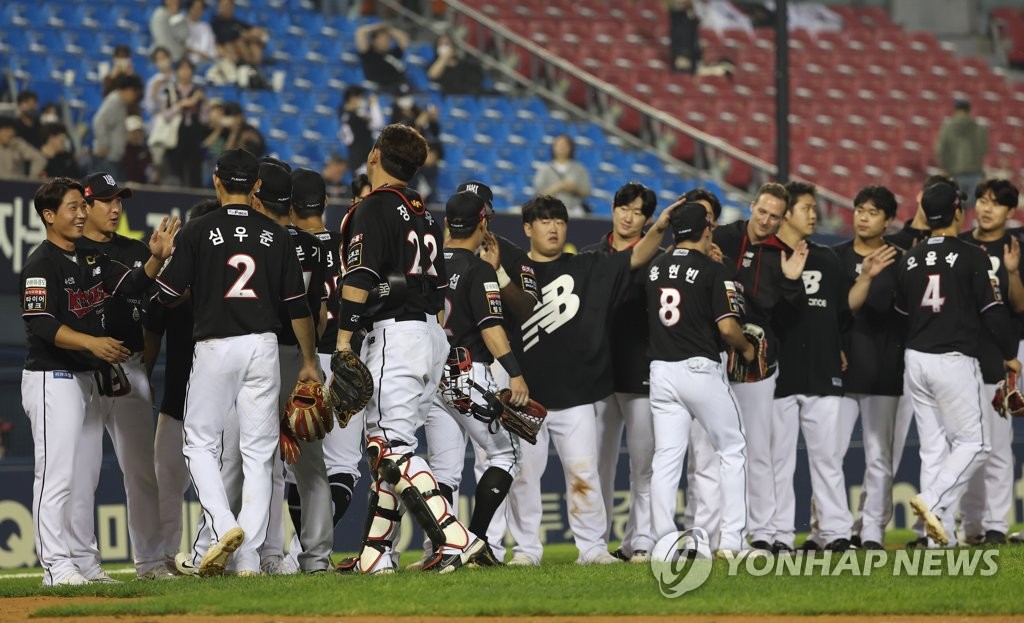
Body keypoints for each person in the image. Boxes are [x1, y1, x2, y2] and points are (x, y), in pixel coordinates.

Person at [156, 149, 320, 576]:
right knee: (260, 453)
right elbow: (297, 306)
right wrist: (308, 361)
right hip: (264, 346)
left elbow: (168, 297)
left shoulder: (197, 230)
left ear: (216, 181)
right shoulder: (276, 235)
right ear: (257, 187)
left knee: (200, 443)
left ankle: (224, 525)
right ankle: (248, 558)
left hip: (215, 345)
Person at [334, 124, 489, 574]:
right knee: (391, 448)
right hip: (429, 335)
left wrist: (344, 341)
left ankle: (458, 537)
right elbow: (440, 289)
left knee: (388, 447)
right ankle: (376, 553)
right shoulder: (422, 213)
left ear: (376, 155)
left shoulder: (374, 207)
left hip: (396, 335)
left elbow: (360, 277)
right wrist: (436, 345)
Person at [502, 194, 676, 566]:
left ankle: (593, 547)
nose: (553, 227)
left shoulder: (588, 265)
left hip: (577, 394)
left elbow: (635, 256)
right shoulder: (512, 267)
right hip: (526, 396)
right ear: (527, 228)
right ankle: (527, 549)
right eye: (545, 221)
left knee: (584, 475)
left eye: (559, 221)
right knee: (524, 477)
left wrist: (658, 228)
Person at [20, 177, 176, 586]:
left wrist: (156, 259)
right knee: (57, 475)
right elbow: (40, 323)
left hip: (85, 377)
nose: (81, 213)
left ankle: (85, 565)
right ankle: (56, 566)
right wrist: (92, 342)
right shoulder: (40, 263)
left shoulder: (87, 258)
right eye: (73, 207)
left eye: (80, 206)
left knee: (78, 472)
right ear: (49, 216)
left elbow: (130, 286)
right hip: (51, 375)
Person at [897, 181, 1020, 547]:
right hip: (952, 359)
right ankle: (933, 500)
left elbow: (901, 312)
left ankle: (939, 537)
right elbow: (994, 312)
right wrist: (1009, 353)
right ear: (957, 212)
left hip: (916, 358)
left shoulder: (910, 258)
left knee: (934, 447)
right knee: (977, 444)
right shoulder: (972, 256)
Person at [772, 182, 893, 553]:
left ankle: (836, 533)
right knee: (778, 462)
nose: (814, 214)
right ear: (787, 212)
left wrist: (866, 278)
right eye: (807, 207)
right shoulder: (765, 257)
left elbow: (845, 310)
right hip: (778, 374)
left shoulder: (828, 258)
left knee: (828, 460)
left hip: (824, 371)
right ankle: (777, 535)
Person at [411, 190, 528, 568]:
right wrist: (515, 373)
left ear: (447, 223)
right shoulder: (479, 270)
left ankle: (441, 549)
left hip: (431, 375)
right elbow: (492, 327)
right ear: (483, 223)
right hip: (467, 374)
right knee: (506, 454)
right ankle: (473, 542)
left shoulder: (426, 264)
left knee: (443, 469)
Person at [71, 173, 170, 580]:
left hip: (130, 367)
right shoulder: (68, 252)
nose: (115, 208)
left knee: (142, 472)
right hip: (82, 371)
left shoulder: (135, 249)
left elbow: (154, 310)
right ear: (85, 205)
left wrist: (147, 358)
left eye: (120, 201)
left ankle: (150, 561)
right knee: (81, 471)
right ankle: (82, 563)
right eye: (106, 201)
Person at [646, 202, 751, 557]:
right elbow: (727, 328)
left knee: (666, 459)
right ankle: (733, 540)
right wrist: (747, 349)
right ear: (706, 230)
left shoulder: (654, 268)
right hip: (698, 369)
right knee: (733, 450)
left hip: (661, 371)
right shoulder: (712, 269)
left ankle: (663, 543)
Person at [712, 183, 807, 553]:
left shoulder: (784, 255)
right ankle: (716, 530)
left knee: (758, 447)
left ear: (783, 219)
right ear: (751, 206)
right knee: (712, 449)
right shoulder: (722, 237)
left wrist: (791, 281)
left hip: (758, 362)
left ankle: (764, 530)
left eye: (775, 216)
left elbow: (786, 318)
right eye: (762, 211)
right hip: (715, 355)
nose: (766, 220)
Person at [251, 161, 333, 574]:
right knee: (311, 465)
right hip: (301, 355)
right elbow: (317, 313)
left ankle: (251, 554)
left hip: (260, 352)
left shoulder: (256, 239)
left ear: (256, 195)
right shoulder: (316, 246)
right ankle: (316, 558)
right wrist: (310, 359)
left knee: (250, 457)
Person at [285, 168, 363, 571]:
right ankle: (308, 554)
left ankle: (296, 553)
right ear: (326, 203)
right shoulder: (349, 245)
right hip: (347, 357)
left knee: (294, 463)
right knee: (342, 468)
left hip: (304, 360)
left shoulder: (289, 244)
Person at [580, 182, 658, 563]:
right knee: (596, 464)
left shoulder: (659, 258)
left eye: (637, 211)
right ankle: (595, 544)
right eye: (622, 208)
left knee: (644, 464)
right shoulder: (591, 256)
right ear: (612, 210)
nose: (628, 216)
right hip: (597, 372)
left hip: (642, 370)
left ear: (648, 220)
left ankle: (640, 541)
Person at [831, 185, 913, 550]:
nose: (863, 217)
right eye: (859, 209)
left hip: (885, 367)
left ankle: (871, 533)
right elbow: (827, 315)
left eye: (873, 211)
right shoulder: (833, 257)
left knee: (880, 456)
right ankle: (828, 531)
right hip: (841, 367)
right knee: (829, 454)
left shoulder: (902, 261)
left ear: (889, 220)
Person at [145, 198, 219, 574]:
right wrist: (142, 381)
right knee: (166, 487)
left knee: (224, 486)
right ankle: (164, 560)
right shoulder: (173, 282)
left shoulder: (234, 283)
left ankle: (228, 554)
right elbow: (151, 332)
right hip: (177, 402)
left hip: (224, 407)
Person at [957, 179, 1024, 545]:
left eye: (995, 204)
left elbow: (1020, 306)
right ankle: (971, 524)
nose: (986, 208)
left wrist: (1012, 271)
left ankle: (996, 525)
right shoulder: (961, 245)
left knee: (998, 444)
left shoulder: (1016, 247)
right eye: (982, 200)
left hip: (1001, 352)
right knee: (966, 447)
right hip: (963, 355)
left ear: (1010, 212)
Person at [158, 59, 207, 187]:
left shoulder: (198, 91)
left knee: (195, 171)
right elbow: (165, 116)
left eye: (188, 68)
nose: (185, 72)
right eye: (182, 68)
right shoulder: (168, 91)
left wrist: (204, 103)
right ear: (177, 71)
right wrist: (181, 105)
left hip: (194, 134)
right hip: (176, 135)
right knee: (175, 170)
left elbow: (204, 119)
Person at [935, 99, 988, 203]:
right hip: (975, 173)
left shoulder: (947, 128)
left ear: (955, 110)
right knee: (974, 211)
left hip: (955, 174)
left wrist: (946, 167)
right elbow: (984, 149)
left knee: (957, 209)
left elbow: (940, 150)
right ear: (969, 110)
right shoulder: (980, 129)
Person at [92, 75, 144, 180]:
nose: (134, 98)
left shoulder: (121, 104)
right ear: (129, 90)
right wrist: (104, 145)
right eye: (135, 94)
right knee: (109, 193)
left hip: (115, 158)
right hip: (108, 158)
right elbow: (99, 121)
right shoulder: (114, 102)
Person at [532, 135, 591, 217]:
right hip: (550, 211)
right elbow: (538, 194)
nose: (562, 148)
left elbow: (587, 191)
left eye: (565, 145)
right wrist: (558, 187)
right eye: (559, 145)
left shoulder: (579, 168)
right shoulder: (545, 169)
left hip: (574, 210)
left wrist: (575, 188)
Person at [338, 86, 384, 176]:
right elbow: (378, 123)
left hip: (357, 158)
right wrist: (374, 105)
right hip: (362, 160)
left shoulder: (344, 114)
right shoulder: (355, 117)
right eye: (361, 97)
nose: (363, 100)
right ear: (352, 98)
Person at [355, 22, 409, 92]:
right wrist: (376, 27)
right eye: (383, 39)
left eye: (388, 39)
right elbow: (360, 32)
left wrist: (389, 30)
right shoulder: (368, 53)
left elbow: (404, 39)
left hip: (401, 85)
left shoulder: (393, 53)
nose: (386, 41)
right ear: (374, 41)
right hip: (381, 88)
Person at [211, 0, 266, 67]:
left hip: (243, 53)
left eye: (229, 6)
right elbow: (224, 37)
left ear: (233, 8)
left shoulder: (235, 22)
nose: (226, 8)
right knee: (238, 42)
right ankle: (247, 66)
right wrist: (243, 36)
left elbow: (255, 30)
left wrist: (251, 34)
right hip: (227, 51)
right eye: (223, 6)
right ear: (218, 7)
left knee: (253, 43)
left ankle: (254, 66)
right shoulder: (215, 23)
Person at [666, 0, 701, 73]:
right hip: (681, 53)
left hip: (692, 54)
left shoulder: (692, 17)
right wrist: (681, 54)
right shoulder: (676, 18)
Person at [123, 116, 154, 184]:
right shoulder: (123, 150)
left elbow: (150, 166)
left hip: (144, 187)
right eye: (133, 132)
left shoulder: (144, 149)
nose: (136, 135)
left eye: (139, 131)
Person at [186, 0, 217, 66]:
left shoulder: (206, 27)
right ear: (190, 8)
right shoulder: (183, 25)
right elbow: (182, 46)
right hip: (189, 63)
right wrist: (198, 53)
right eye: (196, 8)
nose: (199, 11)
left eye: (201, 9)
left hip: (208, 61)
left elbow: (212, 46)